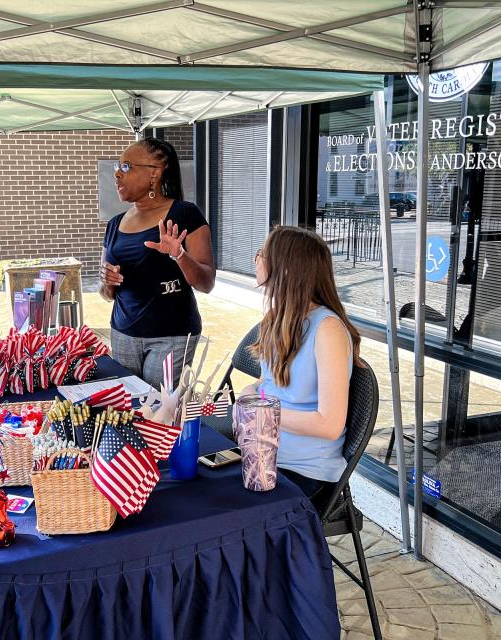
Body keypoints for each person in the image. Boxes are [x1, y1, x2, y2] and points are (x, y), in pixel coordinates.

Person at [240, 226, 362, 506]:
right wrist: (251, 392)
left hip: (304, 471)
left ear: (284, 269)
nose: (256, 259)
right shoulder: (279, 318)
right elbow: (270, 384)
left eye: (262, 254)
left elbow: (330, 425)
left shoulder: (328, 329)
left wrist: (262, 412)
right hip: (266, 453)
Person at [100, 138, 215, 390]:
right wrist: (107, 282)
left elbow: (207, 283)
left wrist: (179, 255)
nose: (117, 174)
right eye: (116, 168)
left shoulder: (185, 214)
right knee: (127, 411)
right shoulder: (114, 224)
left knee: (159, 415)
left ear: (155, 172)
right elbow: (107, 292)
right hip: (123, 334)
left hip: (171, 336)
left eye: (127, 167)